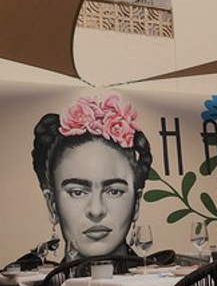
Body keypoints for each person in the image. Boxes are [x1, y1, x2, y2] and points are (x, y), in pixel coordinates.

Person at [32, 95, 152, 260]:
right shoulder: (29, 277)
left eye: (114, 191)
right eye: (77, 192)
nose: (96, 211)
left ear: (136, 204)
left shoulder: (164, 276)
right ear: (52, 205)